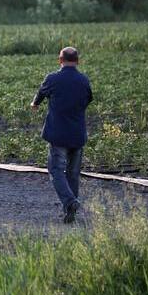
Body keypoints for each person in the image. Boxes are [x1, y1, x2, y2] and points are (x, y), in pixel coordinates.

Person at [30, 47, 93, 224]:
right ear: (78, 61)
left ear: (60, 60)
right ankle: (70, 211)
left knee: (56, 170)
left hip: (58, 135)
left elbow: (42, 92)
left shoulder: (53, 78)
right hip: (77, 134)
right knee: (73, 173)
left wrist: (35, 104)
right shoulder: (83, 80)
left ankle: (70, 202)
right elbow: (88, 99)